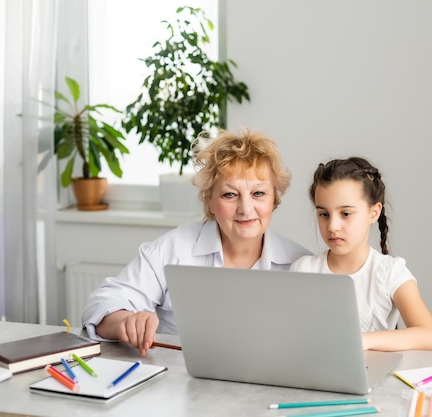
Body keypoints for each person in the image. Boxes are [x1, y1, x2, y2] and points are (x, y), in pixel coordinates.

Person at [82, 129, 311, 355]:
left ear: (274, 199)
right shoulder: (174, 248)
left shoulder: (300, 263)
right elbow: (102, 304)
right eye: (230, 195)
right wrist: (126, 321)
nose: (246, 208)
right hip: (178, 383)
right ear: (210, 201)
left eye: (258, 194)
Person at [291, 157, 432, 352]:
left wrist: (363, 341)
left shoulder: (391, 272)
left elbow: (429, 337)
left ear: (373, 212)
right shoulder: (304, 270)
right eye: (324, 214)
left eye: (345, 214)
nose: (332, 226)